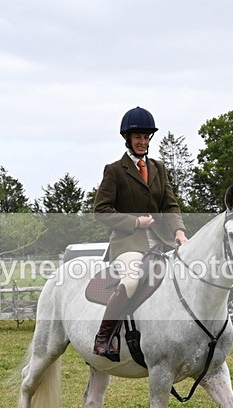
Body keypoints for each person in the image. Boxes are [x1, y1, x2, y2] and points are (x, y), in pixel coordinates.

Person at [92, 106, 188, 361]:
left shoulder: (158, 167)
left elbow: (170, 204)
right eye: (138, 137)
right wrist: (135, 223)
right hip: (128, 244)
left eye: (146, 137)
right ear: (128, 139)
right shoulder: (114, 170)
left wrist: (179, 230)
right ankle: (103, 338)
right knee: (132, 280)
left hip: (162, 242)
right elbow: (101, 211)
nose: (142, 142)